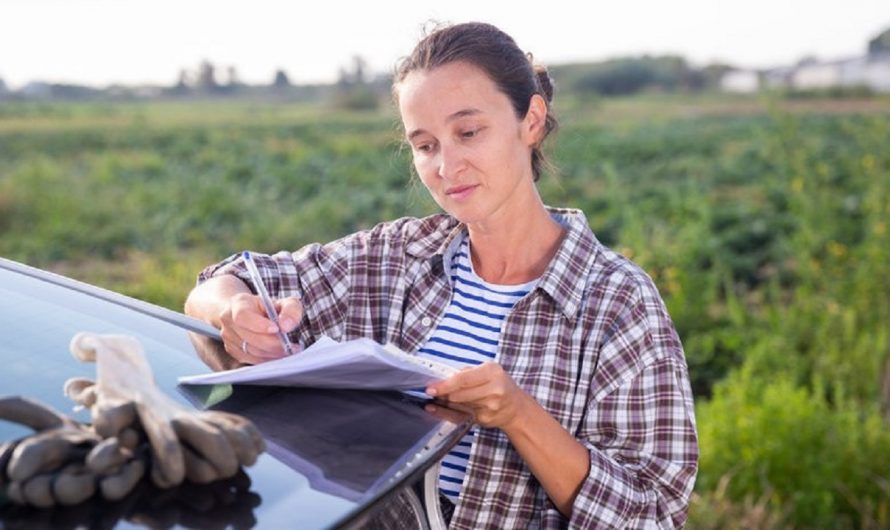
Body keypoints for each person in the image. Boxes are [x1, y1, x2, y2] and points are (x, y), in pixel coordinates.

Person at [184, 21, 698, 529]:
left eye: (469, 132)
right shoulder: (393, 257)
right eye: (426, 145)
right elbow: (219, 282)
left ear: (531, 121)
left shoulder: (618, 302)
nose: (447, 167)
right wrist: (233, 309)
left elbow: (652, 514)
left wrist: (521, 416)